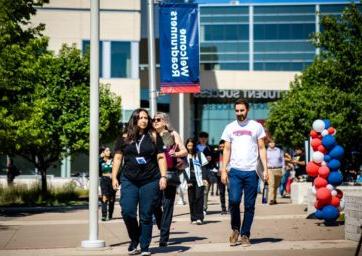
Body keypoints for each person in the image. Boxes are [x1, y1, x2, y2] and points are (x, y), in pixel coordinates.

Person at [112, 108, 168, 256]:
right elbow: (118, 158)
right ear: (134, 119)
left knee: (146, 214)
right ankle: (134, 238)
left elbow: (161, 157)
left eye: (145, 117)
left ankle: (144, 246)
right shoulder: (124, 137)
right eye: (140, 117)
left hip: (150, 180)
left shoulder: (154, 136)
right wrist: (113, 177)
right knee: (128, 211)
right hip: (129, 179)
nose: (143, 120)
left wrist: (163, 176)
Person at [220, 98, 268, 247]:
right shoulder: (229, 127)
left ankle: (245, 234)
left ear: (247, 110)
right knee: (234, 201)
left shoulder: (256, 126)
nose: (239, 113)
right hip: (234, 171)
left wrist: (265, 169)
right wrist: (223, 170)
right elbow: (226, 149)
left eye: (242, 110)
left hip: (252, 171)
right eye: (237, 110)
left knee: (249, 205)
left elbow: (261, 148)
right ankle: (235, 229)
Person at [152, 112, 188, 247]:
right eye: (153, 120)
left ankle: (164, 237)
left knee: (167, 205)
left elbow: (184, 151)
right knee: (154, 203)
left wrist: (176, 153)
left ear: (165, 121)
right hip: (153, 174)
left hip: (169, 173)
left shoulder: (169, 135)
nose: (155, 122)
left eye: (158, 120)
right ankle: (163, 227)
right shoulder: (152, 136)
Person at [184, 138, 208, 224]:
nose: (190, 147)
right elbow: (183, 169)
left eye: (191, 145)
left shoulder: (199, 154)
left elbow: (204, 167)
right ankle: (193, 218)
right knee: (191, 199)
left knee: (199, 197)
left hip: (199, 179)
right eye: (188, 145)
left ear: (194, 146)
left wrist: (204, 178)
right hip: (189, 179)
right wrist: (187, 181)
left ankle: (199, 218)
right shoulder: (184, 155)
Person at [196, 131, 216, 215]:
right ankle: (197, 208)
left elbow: (214, 159)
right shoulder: (195, 148)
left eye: (205, 137)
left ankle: (204, 208)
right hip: (197, 171)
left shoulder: (210, 148)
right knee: (197, 192)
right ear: (199, 138)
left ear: (207, 138)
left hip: (207, 171)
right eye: (201, 137)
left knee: (205, 191)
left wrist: (211, 159)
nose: (203, 139)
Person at [99, 146, 116, 221]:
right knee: (104, 198)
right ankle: (104, 215)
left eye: (109, 150)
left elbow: (118, 170)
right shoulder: (100, 161)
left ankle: (110, 215)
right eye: (107, 150)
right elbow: (96, 168)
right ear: (103, 152)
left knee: (112, 199)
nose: (109, 152)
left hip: (112, 180)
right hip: (104, 180)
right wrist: (99, 158)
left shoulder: (113, 160)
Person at [266, 140, 284, 205]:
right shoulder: (266, 151)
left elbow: (282, 159)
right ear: (268, 144)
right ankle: (270, 199)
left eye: (273, 142)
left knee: (276, 186)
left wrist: (283, 168)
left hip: (278, 169)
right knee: (272, 185)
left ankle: (274, 199)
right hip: (269, 169)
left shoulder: (279, 150)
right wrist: (264, 170)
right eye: (270, 142)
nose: (272, 144)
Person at [216, 140, 228, 214]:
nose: (222, 148)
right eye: (220, 147)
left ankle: (231, 208)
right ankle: (223, 209)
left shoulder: (230, 154)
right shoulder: (216, 154)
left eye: (223, 147)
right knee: (221, 192)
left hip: (229, 175)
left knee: (231, 192)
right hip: (219, 175)